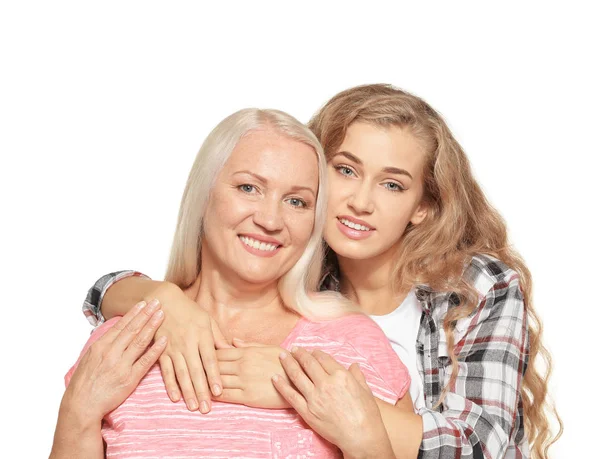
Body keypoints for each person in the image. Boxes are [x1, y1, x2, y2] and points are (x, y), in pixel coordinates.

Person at [79, 85, 561, 458]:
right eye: (346, 170)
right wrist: (165, 300)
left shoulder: (473, 286)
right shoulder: (295, 266)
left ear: (423, 206)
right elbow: (104, 292)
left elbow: (486, 446)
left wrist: (300, 389)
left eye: (392, 185)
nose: (361, 202)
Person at [50, 108, 412, 458]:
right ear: (204, 193)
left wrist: (368, 444)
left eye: (297, 201)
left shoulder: (352, 343)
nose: (271, 219)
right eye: (249, 188)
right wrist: (76, 416)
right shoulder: (125, 339)